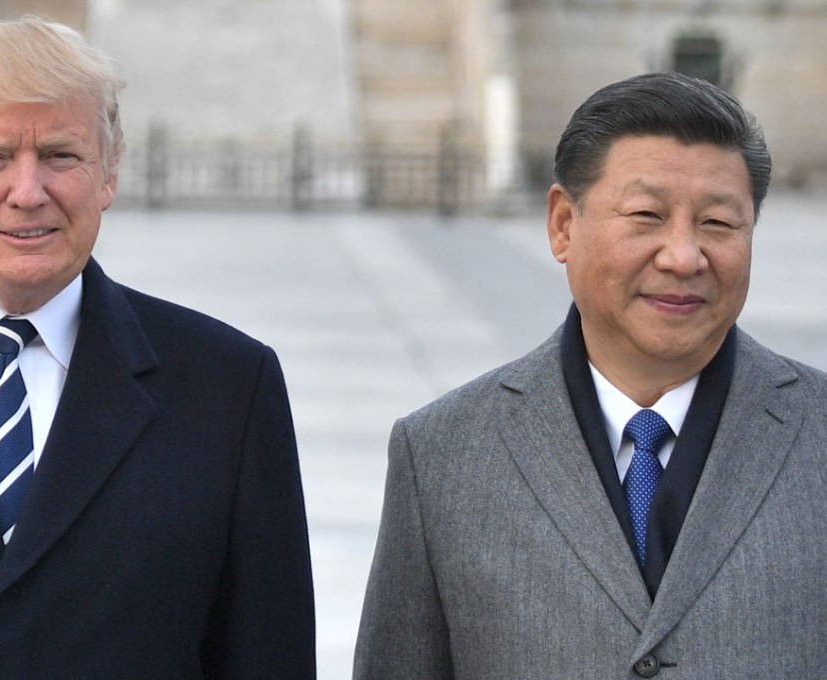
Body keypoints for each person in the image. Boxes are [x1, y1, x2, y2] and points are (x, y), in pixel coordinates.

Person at [0, 16, 315, 679]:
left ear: (108, 174)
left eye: (61, 156)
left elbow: (264, 655)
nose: (28, 192)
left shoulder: (228, 386)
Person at [353, 72, 827, 679]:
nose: (683, 256)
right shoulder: (443, 453)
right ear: (562, 225)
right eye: (647, 214)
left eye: (718, 223)